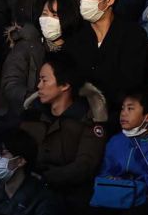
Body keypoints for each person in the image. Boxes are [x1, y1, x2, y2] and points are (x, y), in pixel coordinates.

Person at [19, 56, 109, 204]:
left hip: (69, 198)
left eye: (44, 80)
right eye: (39, 80)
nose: (39, 86)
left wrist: (45, 177)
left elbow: (84, 166)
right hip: (28, 194)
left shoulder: (88, 121)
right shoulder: (32, 115)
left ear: (65, 85)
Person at [94, 86, 148, 206]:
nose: (123, 114)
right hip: (115, 197)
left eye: (130, 109)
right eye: (122, 108)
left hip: (147, 203)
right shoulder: (116, 140)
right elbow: (103, 173)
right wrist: (113, 179)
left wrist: (137, 182)